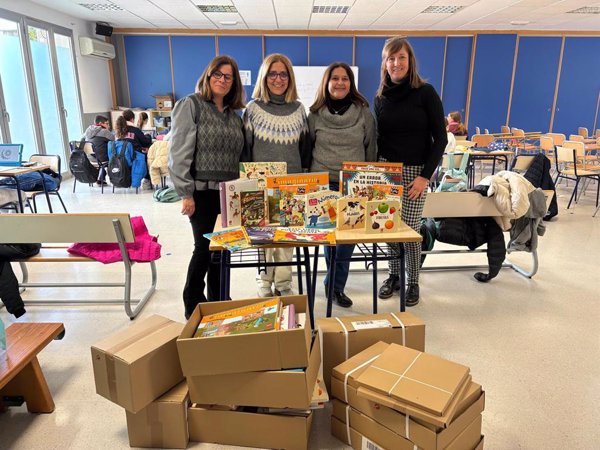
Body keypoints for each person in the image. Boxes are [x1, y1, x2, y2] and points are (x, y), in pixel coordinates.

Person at [169, 55, 246, 319]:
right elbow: (179, 152)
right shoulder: (191, 105)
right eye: (218, 74)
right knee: (204, 249)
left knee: (223, 250)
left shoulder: (235, 117)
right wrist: (185, 193)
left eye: (228, 77)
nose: (222, 80)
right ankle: (192, 303)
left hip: (229, 196)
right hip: (201, 193)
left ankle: (219, 298)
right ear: (208, 75)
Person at [375, 37, 447, 306]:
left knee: (411, 230)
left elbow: (440, 138)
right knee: (387, 228)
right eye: (391, 59)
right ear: (385, 63)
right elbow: (380, 137)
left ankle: (413, 280)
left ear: (410, 61)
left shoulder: (425, 92)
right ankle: (393, 276)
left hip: (416, 172)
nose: (396, 63)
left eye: (401, 58)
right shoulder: (380, 97)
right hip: (386, 172)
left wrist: (425, 176)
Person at [308, 62, 376, 307]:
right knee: (329, 239)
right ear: (326, 83)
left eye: (344, 78)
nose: (339, 83)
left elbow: (371, 149)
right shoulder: (314, 113)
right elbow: (308, 148)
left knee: (346, 242)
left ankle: (336, 287)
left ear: (351, 83)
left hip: (353, 186)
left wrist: (369, 183)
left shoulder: (364, 113)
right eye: (334, 78)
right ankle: (330, 284)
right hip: (322, 185)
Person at [243, 53, 311, 298]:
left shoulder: (299, 109)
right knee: (263, 238)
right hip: (259, 185)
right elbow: (245, 150)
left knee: (286, 240)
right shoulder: (252, 109)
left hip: (292, 186)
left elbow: (304, 149)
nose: (278, 79)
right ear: (264, 76)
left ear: (290, 78)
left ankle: (283, 283)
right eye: (273, 73)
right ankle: (264, 281)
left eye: (283, 74)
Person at [121, 109, 153, 189]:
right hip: (135, 156)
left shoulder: (119, 130)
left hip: (122, 157)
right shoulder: (135, 130)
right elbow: (145, 142)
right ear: (132, 119)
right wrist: (148, 136)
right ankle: (147, 180)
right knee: (147, 157)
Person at [83, 115, 114, 185]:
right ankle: (107, 178)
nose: (108, 126)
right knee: (113, 156)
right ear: (100, 123)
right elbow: (114, 140)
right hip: (101, 159)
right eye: (107, 123)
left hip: (89, 158)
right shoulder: (104, 132)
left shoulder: (87, 131)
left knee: (100, 152)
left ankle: (101, 178)